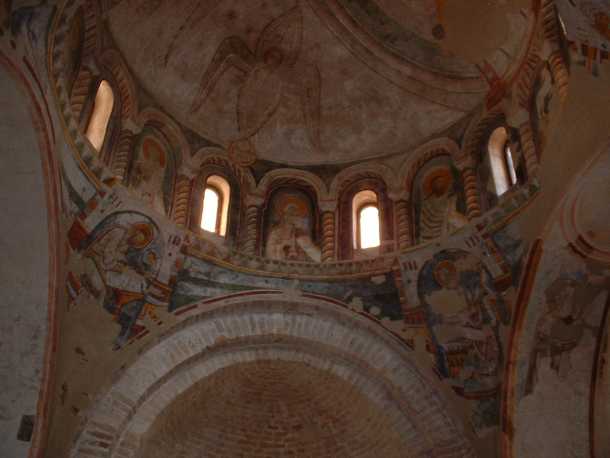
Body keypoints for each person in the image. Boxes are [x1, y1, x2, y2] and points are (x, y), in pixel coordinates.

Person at [418, 168, 468, 242]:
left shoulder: (451, 198)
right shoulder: (427, 203)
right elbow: (424, 221)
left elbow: (453, 213)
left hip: (448, 225)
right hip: (431, 232)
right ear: (433, 186)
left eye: (442, 182)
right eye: (437, 182)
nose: (440, 184)